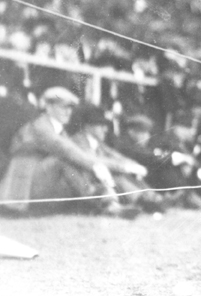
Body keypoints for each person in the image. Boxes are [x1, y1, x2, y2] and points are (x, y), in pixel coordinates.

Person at [0, 87, 137, 217]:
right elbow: (70, 152)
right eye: (63, 107)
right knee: (64, 159)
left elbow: (81, 154)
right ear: (48, 107)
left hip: (40, 182)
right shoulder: (41, 127)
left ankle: (107, 200)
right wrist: (108, 166)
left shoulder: (60, 131)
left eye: (70, 108)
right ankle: (103, 202)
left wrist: (115, 165)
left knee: (73, 161)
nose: (68, 112)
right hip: (23, 186)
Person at [68, 104, 165, 214]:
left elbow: (115, 155)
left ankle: (153, 198)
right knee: (119, 175)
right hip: (86, 185)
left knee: (129, 172)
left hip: (102, 182)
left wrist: (133, 165)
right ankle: (144, 201)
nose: (105, 129)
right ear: (87, 127)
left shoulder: (98, 143)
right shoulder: (78, 141)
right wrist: (126, 167)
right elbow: (94, 161)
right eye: (100, 125)